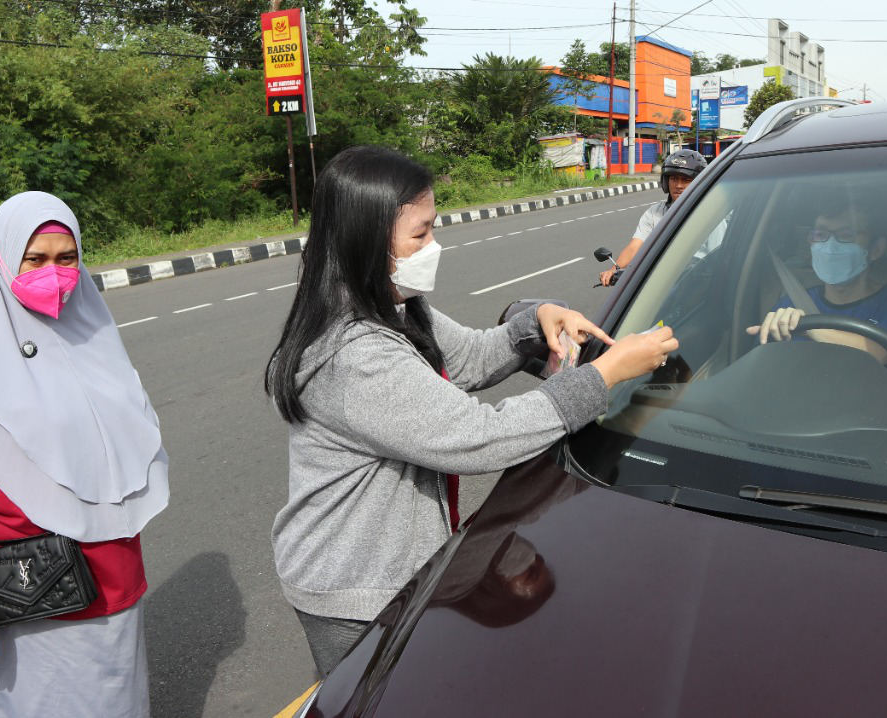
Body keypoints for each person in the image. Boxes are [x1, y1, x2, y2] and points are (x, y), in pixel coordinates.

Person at [266, 146, 678, 676]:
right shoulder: (355, 352)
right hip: (355, 583)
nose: (432, 246)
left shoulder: (392, 304)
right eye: (420, 234)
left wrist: (537, 322)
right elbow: (479, 437)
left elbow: (468, 356)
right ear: (364, 237)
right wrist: (604, 376)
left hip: (396, 567)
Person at [0, 192, 169, 717]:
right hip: (35, 599)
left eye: (66, 259)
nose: (55, 273)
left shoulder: (93, 337)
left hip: (115, 585)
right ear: (1, 259)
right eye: (35, 259)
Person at [747, 195, 887, 379]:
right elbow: (760, 370)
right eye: (821, 234)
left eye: (846, 236)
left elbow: (878, 351)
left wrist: (807, 326)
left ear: (876, 249)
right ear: (811, 241)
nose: (830, 246)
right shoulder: (790, 304)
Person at [599, 148, 708, 286]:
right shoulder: (655, 212)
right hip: (659, 284)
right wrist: (613, 270)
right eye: (674, 179)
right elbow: (635, 247)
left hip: (697, 283)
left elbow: (718, 254)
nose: (679, 185)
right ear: (666, 181)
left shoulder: (709, 213)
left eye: (686, 180)